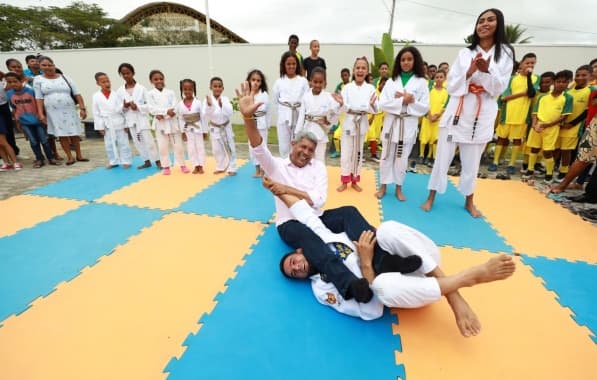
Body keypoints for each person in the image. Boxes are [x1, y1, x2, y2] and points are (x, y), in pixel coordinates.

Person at [276, 187, 516, 336]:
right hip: (410, 291)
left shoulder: (327, 236)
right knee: (381, 286)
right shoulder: (323, 288)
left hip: (421, 261)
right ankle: (466, 278)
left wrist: (277, 188)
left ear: (300, 251)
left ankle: (453, 295)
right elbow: (372, 310)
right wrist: (367, 265)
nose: (296, 267)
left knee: (386, 230)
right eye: (294, 272)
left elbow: (303, 213)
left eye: (293, 261)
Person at [237, 80, 377, 304]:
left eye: (310, 150)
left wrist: (286, 189)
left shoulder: (318, 167)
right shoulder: (277, 167)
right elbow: (258, 148)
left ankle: (380, 253)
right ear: (293, 144)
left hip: (316, 216)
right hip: (290, 223)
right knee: (309, 237)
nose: (306, 152)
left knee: (348, 212)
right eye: (302, 147)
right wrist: (248, 119)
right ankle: (348, 284)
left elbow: (318, 200)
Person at [422, 8, 515, 217]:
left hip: (482, 113)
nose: (484, 24)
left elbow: (500, 88)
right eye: (481, 20)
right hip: (458, 108)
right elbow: (452, 84)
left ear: (499, 24)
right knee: (442, 157)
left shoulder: (505, 53)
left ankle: (469, 201)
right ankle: (431, 196)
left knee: (472, 162)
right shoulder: (465, 53)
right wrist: (471, 72)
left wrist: (487, 70)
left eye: (490, 20)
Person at [376, 46, 430, 201]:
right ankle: (383, 186)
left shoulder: (421, 83)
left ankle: (399, 188)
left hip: (408, 124)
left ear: (415, 61)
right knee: (386, 156)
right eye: (403, 60)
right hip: (392, 123)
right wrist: (402, 100)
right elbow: (382, 104)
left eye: (409, 59)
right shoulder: (391, 81)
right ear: (399, 62)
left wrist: (411, 101)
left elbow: (425, 107)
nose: (406, 62)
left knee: (402, 158)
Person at [34, 56, 88, 165]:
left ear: (54, 65)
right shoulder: (38, 80)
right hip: (53, 112)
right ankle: (69, 157)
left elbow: (77, 93)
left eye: (50, 65)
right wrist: (40, 113)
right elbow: (39, 98)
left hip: (69, 110)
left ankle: (79, 155)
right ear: (40, 67)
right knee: (62, 134)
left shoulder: (65, 77)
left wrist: (82, 108)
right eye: (44, 65)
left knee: (74, 133)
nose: (47, 67)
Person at [490, 52, 538, 174]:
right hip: (508, 114)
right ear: (522, 63)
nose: (530, 65)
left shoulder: (536, 78)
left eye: (532, 63)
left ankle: (511, 164)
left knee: (517, 140)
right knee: (501, 138)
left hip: (522, 115)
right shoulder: (512, 79)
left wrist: (529, 77)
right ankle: (495, 161)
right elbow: (504, 97)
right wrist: (522, 93)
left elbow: (532, 93)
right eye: (527, 63)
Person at [523, 71, 573, 183]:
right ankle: (530, 170)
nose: (561, 84)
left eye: (564, 82)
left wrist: (548, 125)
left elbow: (563, 117)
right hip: (538, 126)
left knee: (547, 151)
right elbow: (535, 113)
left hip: (551, 128)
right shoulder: (543, 97)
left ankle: (549, 173)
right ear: (554, 82)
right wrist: (534, 124)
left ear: (568, 83)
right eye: (558, 81)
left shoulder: (567, 98)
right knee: (534, 148)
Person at [337, 56, 378, 193]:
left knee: (358, 153)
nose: (360, 70)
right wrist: (342, 104)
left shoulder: (371, 88)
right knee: (346, 152)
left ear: (367, 71)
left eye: (363, 68)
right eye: (358, 68)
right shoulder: (347, 88)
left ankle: (355, 180)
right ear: (353, 70)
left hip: (362, 122)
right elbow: (342, 106)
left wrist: (371, 106)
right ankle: (344, 180)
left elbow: (375, 108)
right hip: (349, 122)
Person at [5, 71, 57, 168]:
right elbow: (14, 108)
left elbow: (39, 104)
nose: (13, 84)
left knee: (44, 140)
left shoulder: (31, 91)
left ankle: (51, 158)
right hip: (24, 122)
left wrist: (42, 116)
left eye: (15, 81)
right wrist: (18, 122)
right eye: (10, 82)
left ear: (21, 81)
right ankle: (39, 159)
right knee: (33, 141)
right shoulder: (9, 94)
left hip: (37, 120)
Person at [117, 63, 160, 170]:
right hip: (130, 120)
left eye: (128, 73)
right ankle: (146, 161)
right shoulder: (120, 91)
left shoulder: (142, 88)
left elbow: (150, 105)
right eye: (123, 74)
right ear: (121, 75)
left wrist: (138, 107)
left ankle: (158, 161)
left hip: (142, 119)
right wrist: (124, 106)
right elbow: (117, 108)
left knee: (149, 141)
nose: (126, 76)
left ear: (133, 73)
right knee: (138, 142)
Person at [295, 67, 342, 163]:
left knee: (320, 160)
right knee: (307, 159)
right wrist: (297, 134)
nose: (317, 85)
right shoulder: (306, 96)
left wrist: (329, 120)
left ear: (324, 82)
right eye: (315, 82)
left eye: (320, 82)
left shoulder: (328, 97)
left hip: (321, 132)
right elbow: (301, 117)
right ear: (310, 81)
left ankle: (320, 178)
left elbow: (336, 112)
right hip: (307, 131)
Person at [146, 69, 188, 176]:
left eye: (161, 78)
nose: (159, 81)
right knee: (162, 146)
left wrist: (167, 113)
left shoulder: (170, 92)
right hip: (160, 123)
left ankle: (182, 164)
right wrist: (164, 112)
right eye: (155, 79)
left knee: (178, 146)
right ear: (151, 81)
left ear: (164, 79)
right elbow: (151, 108)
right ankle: (166, 166)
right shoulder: (150, 94)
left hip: (172, 121)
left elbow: (175, 106)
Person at [556, 65, 594, 181]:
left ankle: (563, 171)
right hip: (560, 124)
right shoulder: (568, 91)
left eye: (584, 75)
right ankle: (551, 168)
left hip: (574, 126)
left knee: (566, 150)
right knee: (556, 148)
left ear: (590, 76)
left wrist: (572, 124)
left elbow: (587, 111)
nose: (580, 77)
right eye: (577, 75)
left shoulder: (591, 91)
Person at [92, 72, 132, 169]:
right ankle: (113, 161)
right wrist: (100, 127)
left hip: (119, 121)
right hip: (107, 123)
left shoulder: (117, 94)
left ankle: (126, 161)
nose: (107, 84)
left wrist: (126, 124)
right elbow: (96, 113)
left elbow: (124, 110)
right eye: (103, 82)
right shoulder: (96, 96)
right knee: (109, 144)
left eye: (108, 81)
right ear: (98, 83)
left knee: (123, 143)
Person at [273, 51, 309, 158]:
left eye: (293, 64)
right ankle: (285, 165)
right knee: (284, 145)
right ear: (284, 65)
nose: (291, 66)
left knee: (297, 143)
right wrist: (282, 113)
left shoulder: (303, 81)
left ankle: (297, 167)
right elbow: (276, 101)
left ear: (297, 65)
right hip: (284, 116)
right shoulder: (279, 82)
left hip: (299, 115)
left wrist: (303, 116)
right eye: (288, 64)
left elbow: (307, 100)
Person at [521, 71, 555, 174]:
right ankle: (525, 163)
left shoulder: (552, 95)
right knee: (529, 143)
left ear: (552, 82)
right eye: (542, 82)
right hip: (532, 122)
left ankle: (537, 163)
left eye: (547, 82)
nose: (544, 84)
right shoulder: (535, 93)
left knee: (541, 146)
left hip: (546, 125)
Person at [204, 77, 236, 176]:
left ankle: (232, 167)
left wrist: (223, 106)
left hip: (225, 127)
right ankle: (220, 166)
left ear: (223, 88)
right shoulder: (207, 100)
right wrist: (209, 106)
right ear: (210, 87)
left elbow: (230, 113)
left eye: (219, 86)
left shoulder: (225, 99)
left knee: (230, 147)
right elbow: (206, 114)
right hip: (215, 128)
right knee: (217, 149)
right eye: (215, 86)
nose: (217, 88)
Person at [176, 79, 207, 175]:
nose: (188, 91)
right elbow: (181, 119)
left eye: (190, 89)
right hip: (187, 128)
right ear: (182, 90)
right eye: (185, 89)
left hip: (198, 127)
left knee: (200, 147)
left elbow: (203, 117)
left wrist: (205, 131)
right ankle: (195, 165)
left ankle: (201, 165)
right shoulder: (180, 105)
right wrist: (183, 132)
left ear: (193, 90)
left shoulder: (198, 102)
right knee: (191, 148)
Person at [419, 70, 449, 168]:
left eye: (441, 77)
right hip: (428, 117)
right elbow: (425, 102)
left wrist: (437, 116)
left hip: (438, 119)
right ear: (434, 78)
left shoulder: (446, 92)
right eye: (437, 77)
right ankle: (421, 155)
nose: (439, 79)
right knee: (424, 137)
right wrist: (429, 114)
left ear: (444, 78)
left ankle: (431, 157)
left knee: (434, 138)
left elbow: (445, 105)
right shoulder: (430, 89)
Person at [245, 69, 270, 178]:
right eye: (253, 80)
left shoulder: (264, 95)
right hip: (251, 124)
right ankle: (257, 168)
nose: (255, 82)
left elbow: (267, 111)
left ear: (261, 83)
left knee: (262, 146)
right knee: (252, 147)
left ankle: (264, 168)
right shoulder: (246, 95)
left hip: (261, 124)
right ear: (249, 81)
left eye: (258, 80)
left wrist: (267, 125)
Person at [0, 71, 22, 171]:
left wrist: (3, 75)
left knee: (3, 141)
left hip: (2, 112)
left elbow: (10, 80)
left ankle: (15, 162)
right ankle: (6, 162)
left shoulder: (3, 84)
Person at [330, 68, 351, 159]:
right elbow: (336, 96)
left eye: (346, 75)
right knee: (336, 135)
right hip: (341, 115)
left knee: (348, 136)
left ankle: (349, 152)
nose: (344, 77)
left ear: (349, 75)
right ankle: (338, 152)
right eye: (342, 76)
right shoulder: (339, 86)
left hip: (349, 115)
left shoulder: (351, 86)